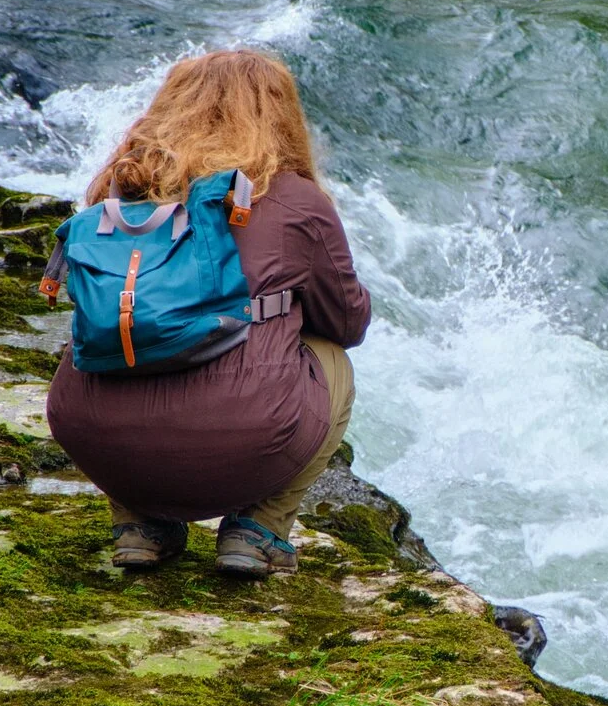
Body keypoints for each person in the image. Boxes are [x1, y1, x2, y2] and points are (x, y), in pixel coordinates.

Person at [44, 49, 370, 577]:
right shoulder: (294, 199)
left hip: (96, 436)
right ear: (278, 116)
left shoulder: (117, 191)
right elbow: (347, 324)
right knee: (332, 361)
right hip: (241, 438)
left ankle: (140, 523)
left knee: (119, 336)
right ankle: (258, 529)